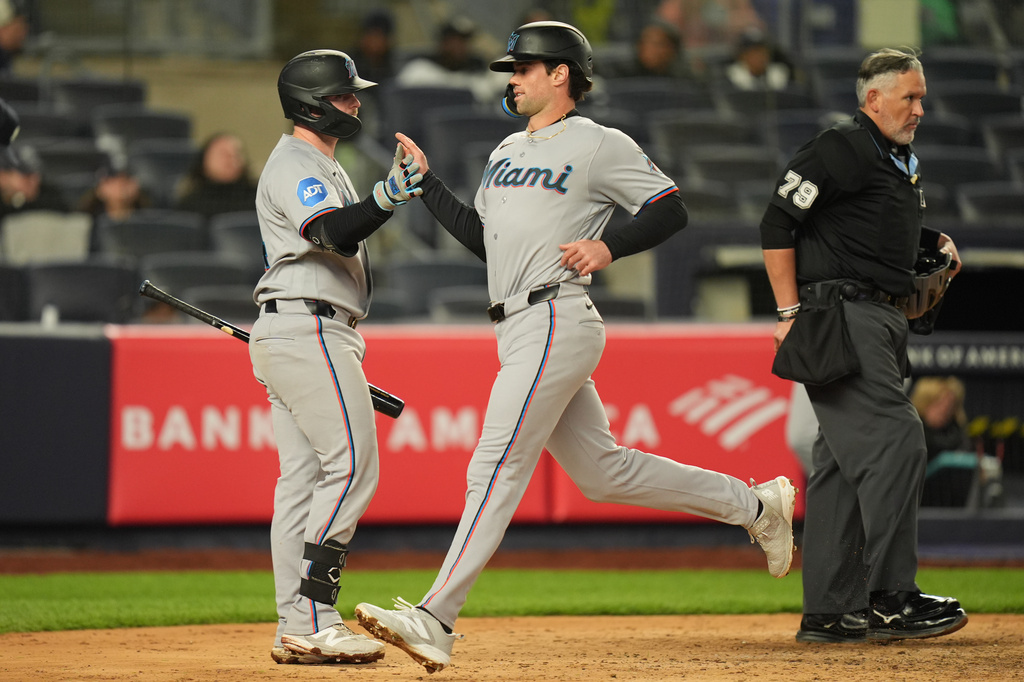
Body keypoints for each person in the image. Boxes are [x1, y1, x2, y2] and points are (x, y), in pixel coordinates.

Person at [354, 21, 797, 673]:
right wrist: (425, 186)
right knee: (603, 472)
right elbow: (487, 243)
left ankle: (436, 616)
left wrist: (609, 245)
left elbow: (669, 207)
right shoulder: (505, 149)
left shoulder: (597, 144)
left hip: (554, 316)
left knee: (494, 463)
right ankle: (757, 506)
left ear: (560, 74)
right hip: (516, 323)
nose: (513, 78)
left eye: (524, 68)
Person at [758, 47, 969, 644]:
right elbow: (778, 221)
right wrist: (789, 311)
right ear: (873, 98)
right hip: (840, 315)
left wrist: (929, 244)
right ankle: (890, 597)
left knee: (840, 465)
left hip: (877, 315)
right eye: (910, 97)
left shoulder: (896, 159)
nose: (920, 108)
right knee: (899, 438)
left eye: (922, 97)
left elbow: (862, 228)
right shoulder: (842, 147)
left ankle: (830, 609)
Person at [248, 49, 423, 666]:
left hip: (303, 328)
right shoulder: (297, 161)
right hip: (310, 328)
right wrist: (387, 196)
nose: (355, 102)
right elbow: (331, 233)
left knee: (300, 484)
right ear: (313, 102)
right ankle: (317, 616)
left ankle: (294, 626)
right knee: (351, 466)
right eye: (345, 95)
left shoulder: (320, 160)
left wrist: (377, 196)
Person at [395, 17, 506, 103]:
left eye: (464, 41)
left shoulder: (477, 79)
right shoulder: (419, 70)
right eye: (455, 41)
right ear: (442, 42)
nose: (459, 47)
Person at [174, 132, 257, 218]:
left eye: (236, 153)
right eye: (223, 154)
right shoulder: (189, 206)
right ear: (204, 161)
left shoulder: (259, 199)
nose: (231, 159)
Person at [603, 18, 693, 80]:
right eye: (644, 42)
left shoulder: (684, 80)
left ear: (672, 49)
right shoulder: (623, 76)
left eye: (657, 44)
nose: (650, 49)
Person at [723, 27, 794, 91]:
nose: (759, 57)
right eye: (753, 52)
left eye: (762, 52)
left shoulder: (779, 74)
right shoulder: (730, 77)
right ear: (742, 56)